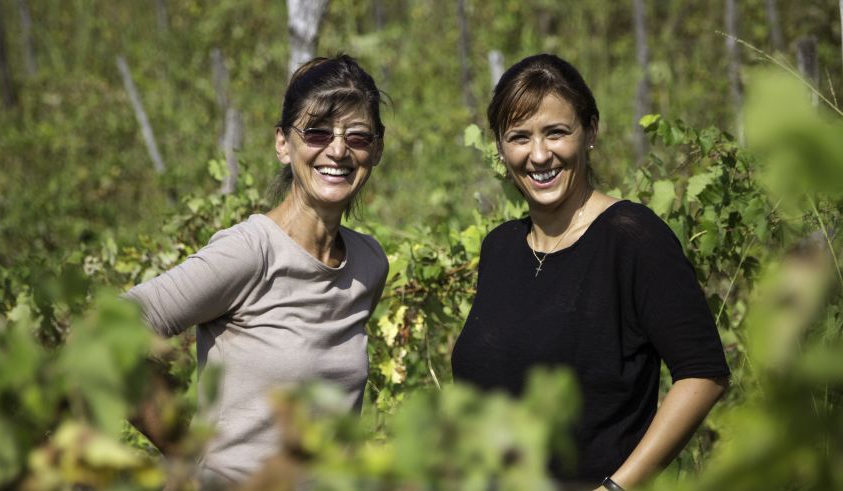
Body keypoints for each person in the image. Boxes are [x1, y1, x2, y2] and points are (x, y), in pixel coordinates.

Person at [451, 54, 729, 491]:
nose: (539, 155)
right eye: (519, 137)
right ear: (501, 148)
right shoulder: (500, 248)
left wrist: (616, 488)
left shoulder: (633, 239)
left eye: (556, 133)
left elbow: (704, 374)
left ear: (590, 132)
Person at [124, 54, 389, 487]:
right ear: (284, 144)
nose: (338, 150)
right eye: (317, 132)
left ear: (376, 148)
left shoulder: (369, 264)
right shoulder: (251, 252)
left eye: (357, 136)